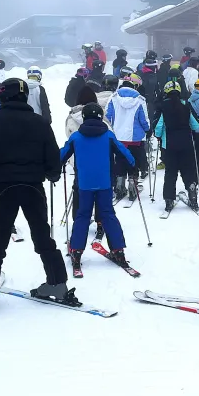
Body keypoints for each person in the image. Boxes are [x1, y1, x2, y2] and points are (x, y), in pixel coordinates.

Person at [0, 78, 69, 314]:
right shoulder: (40, 122)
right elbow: (52, 154)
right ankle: (57, 283)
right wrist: (53, 173)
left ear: (3, 97)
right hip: (33, 185)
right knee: (42, 236)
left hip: (4, 186)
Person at [61, 102, 136, 271]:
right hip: (104, 183)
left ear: (84, 118)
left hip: (84, 184)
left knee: (83, 216)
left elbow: (62, 155)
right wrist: (132, 165)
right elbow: (125, 154)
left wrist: (53, 168)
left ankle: (76, 251)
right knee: (108, 214)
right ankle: (118, 250)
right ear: (101, 117)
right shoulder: (108, 136)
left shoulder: (76, 137)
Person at [154, 80, 199, 213]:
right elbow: (196, 124)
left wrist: (158, 136)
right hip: (186, 143)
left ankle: (169, 199)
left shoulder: (162, 106)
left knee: (170, 172)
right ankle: (192, 189)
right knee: (187, 170)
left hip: (169, 145)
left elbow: (158, 127)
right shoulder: (186, 105)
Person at [107, 74, 151, 199]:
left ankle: (120, 186)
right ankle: (133, 185)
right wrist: (148, 130)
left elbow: (108, 116)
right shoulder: (140, 100)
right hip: (135, 139)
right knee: (134, 161)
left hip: (118, 138)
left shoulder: (113, 98)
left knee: (120, 160)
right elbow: (144, 120)